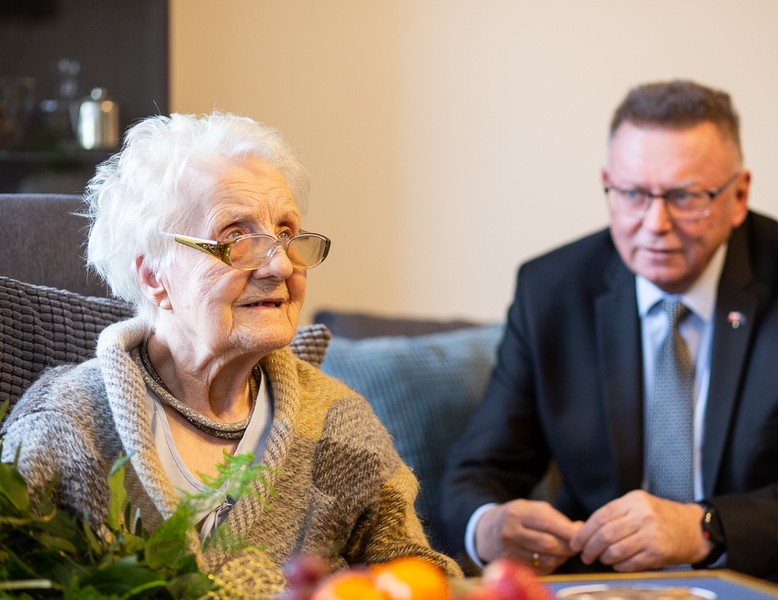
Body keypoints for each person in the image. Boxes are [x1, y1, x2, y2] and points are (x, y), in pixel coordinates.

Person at [439, 80, 778, 599]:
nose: (655, 224)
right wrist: (490, 525)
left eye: (685, 196)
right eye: (633, 194)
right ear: (608, 185)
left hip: (769, 559)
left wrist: (702, 527)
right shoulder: (550, 289)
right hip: (607, 568)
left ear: (738, 194)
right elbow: (475, 473)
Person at [1, 112, 462, 594]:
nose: (281, 264)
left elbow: (425, 579)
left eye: (286, 234)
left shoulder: (337, 426)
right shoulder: (64, 424)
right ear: (154, 277)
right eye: (237, 238)